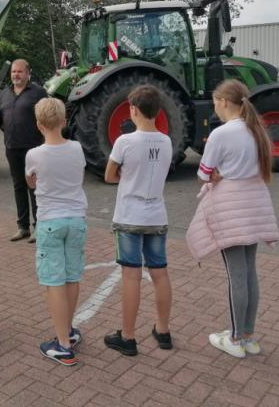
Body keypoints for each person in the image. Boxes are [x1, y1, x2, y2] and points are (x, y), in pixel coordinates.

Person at [189, 79, 279, 359]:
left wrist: (214, 174)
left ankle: (235, 338)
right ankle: (249, 336)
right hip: (255, 203)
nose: (214, 106)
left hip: (230, 206)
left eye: (215, 101)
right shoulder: (256, 130)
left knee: (236, 275)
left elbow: (204, 173)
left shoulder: (221, 134)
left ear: (224, 102)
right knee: (250, 272)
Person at [103, 85, 173, 356]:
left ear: (133, 110)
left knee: (131, 276)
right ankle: (163, 330)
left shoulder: (124, 142)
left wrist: (127, 175)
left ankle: (128, 336)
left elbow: (110, 175)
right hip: (157, 213)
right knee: (160, 273)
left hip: (130, 215)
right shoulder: (166, 141)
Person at [25, 98, 88, 366]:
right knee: (72, 276)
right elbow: (79, 176)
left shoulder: (34, 154)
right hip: (76, 218)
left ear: (39, 125)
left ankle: (62, 344)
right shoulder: (77, 148)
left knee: (54, 281)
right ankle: (69, 331)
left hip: (50, 220)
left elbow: (30, 180)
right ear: (64, 121)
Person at [0, 59, 47, 242]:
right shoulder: (4, 94)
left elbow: (48, 116)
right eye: (13, 72)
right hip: (12, 147)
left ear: (27, 73)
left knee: (34, 187)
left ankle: (38, 227)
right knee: (18, 186)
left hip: (33, 148)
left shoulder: (38, 93)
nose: (16, 75)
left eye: (19, 72)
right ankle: (22, 227)